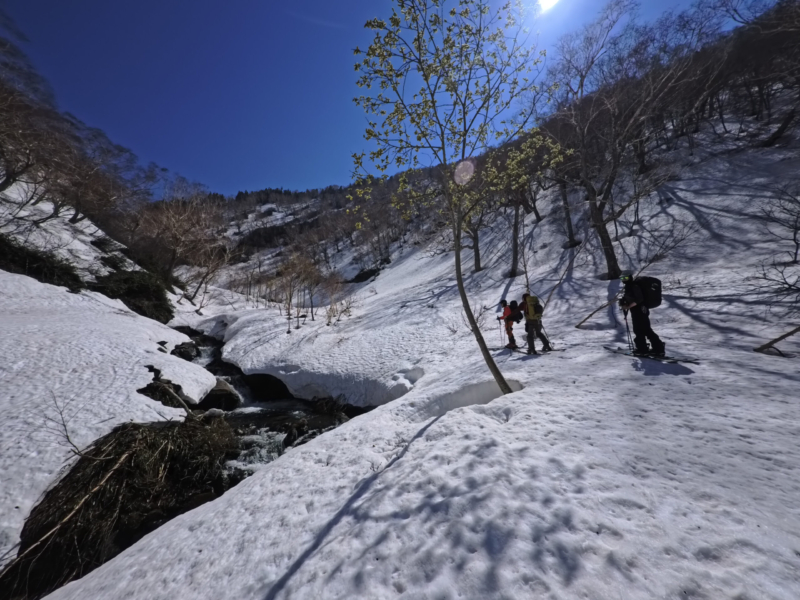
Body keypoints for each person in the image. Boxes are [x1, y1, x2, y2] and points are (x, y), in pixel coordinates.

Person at [619, 271, 665, 356]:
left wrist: (628, 306)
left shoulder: (633, 286)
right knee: (645, 329)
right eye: (622, 278)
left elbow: (639, 299)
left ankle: (643, 349)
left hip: (640, 310)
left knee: (640, 330)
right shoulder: (629, 286)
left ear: (630, 277)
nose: (623, 280)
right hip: (640, 310)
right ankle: (657, 348)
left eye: (625, 278)